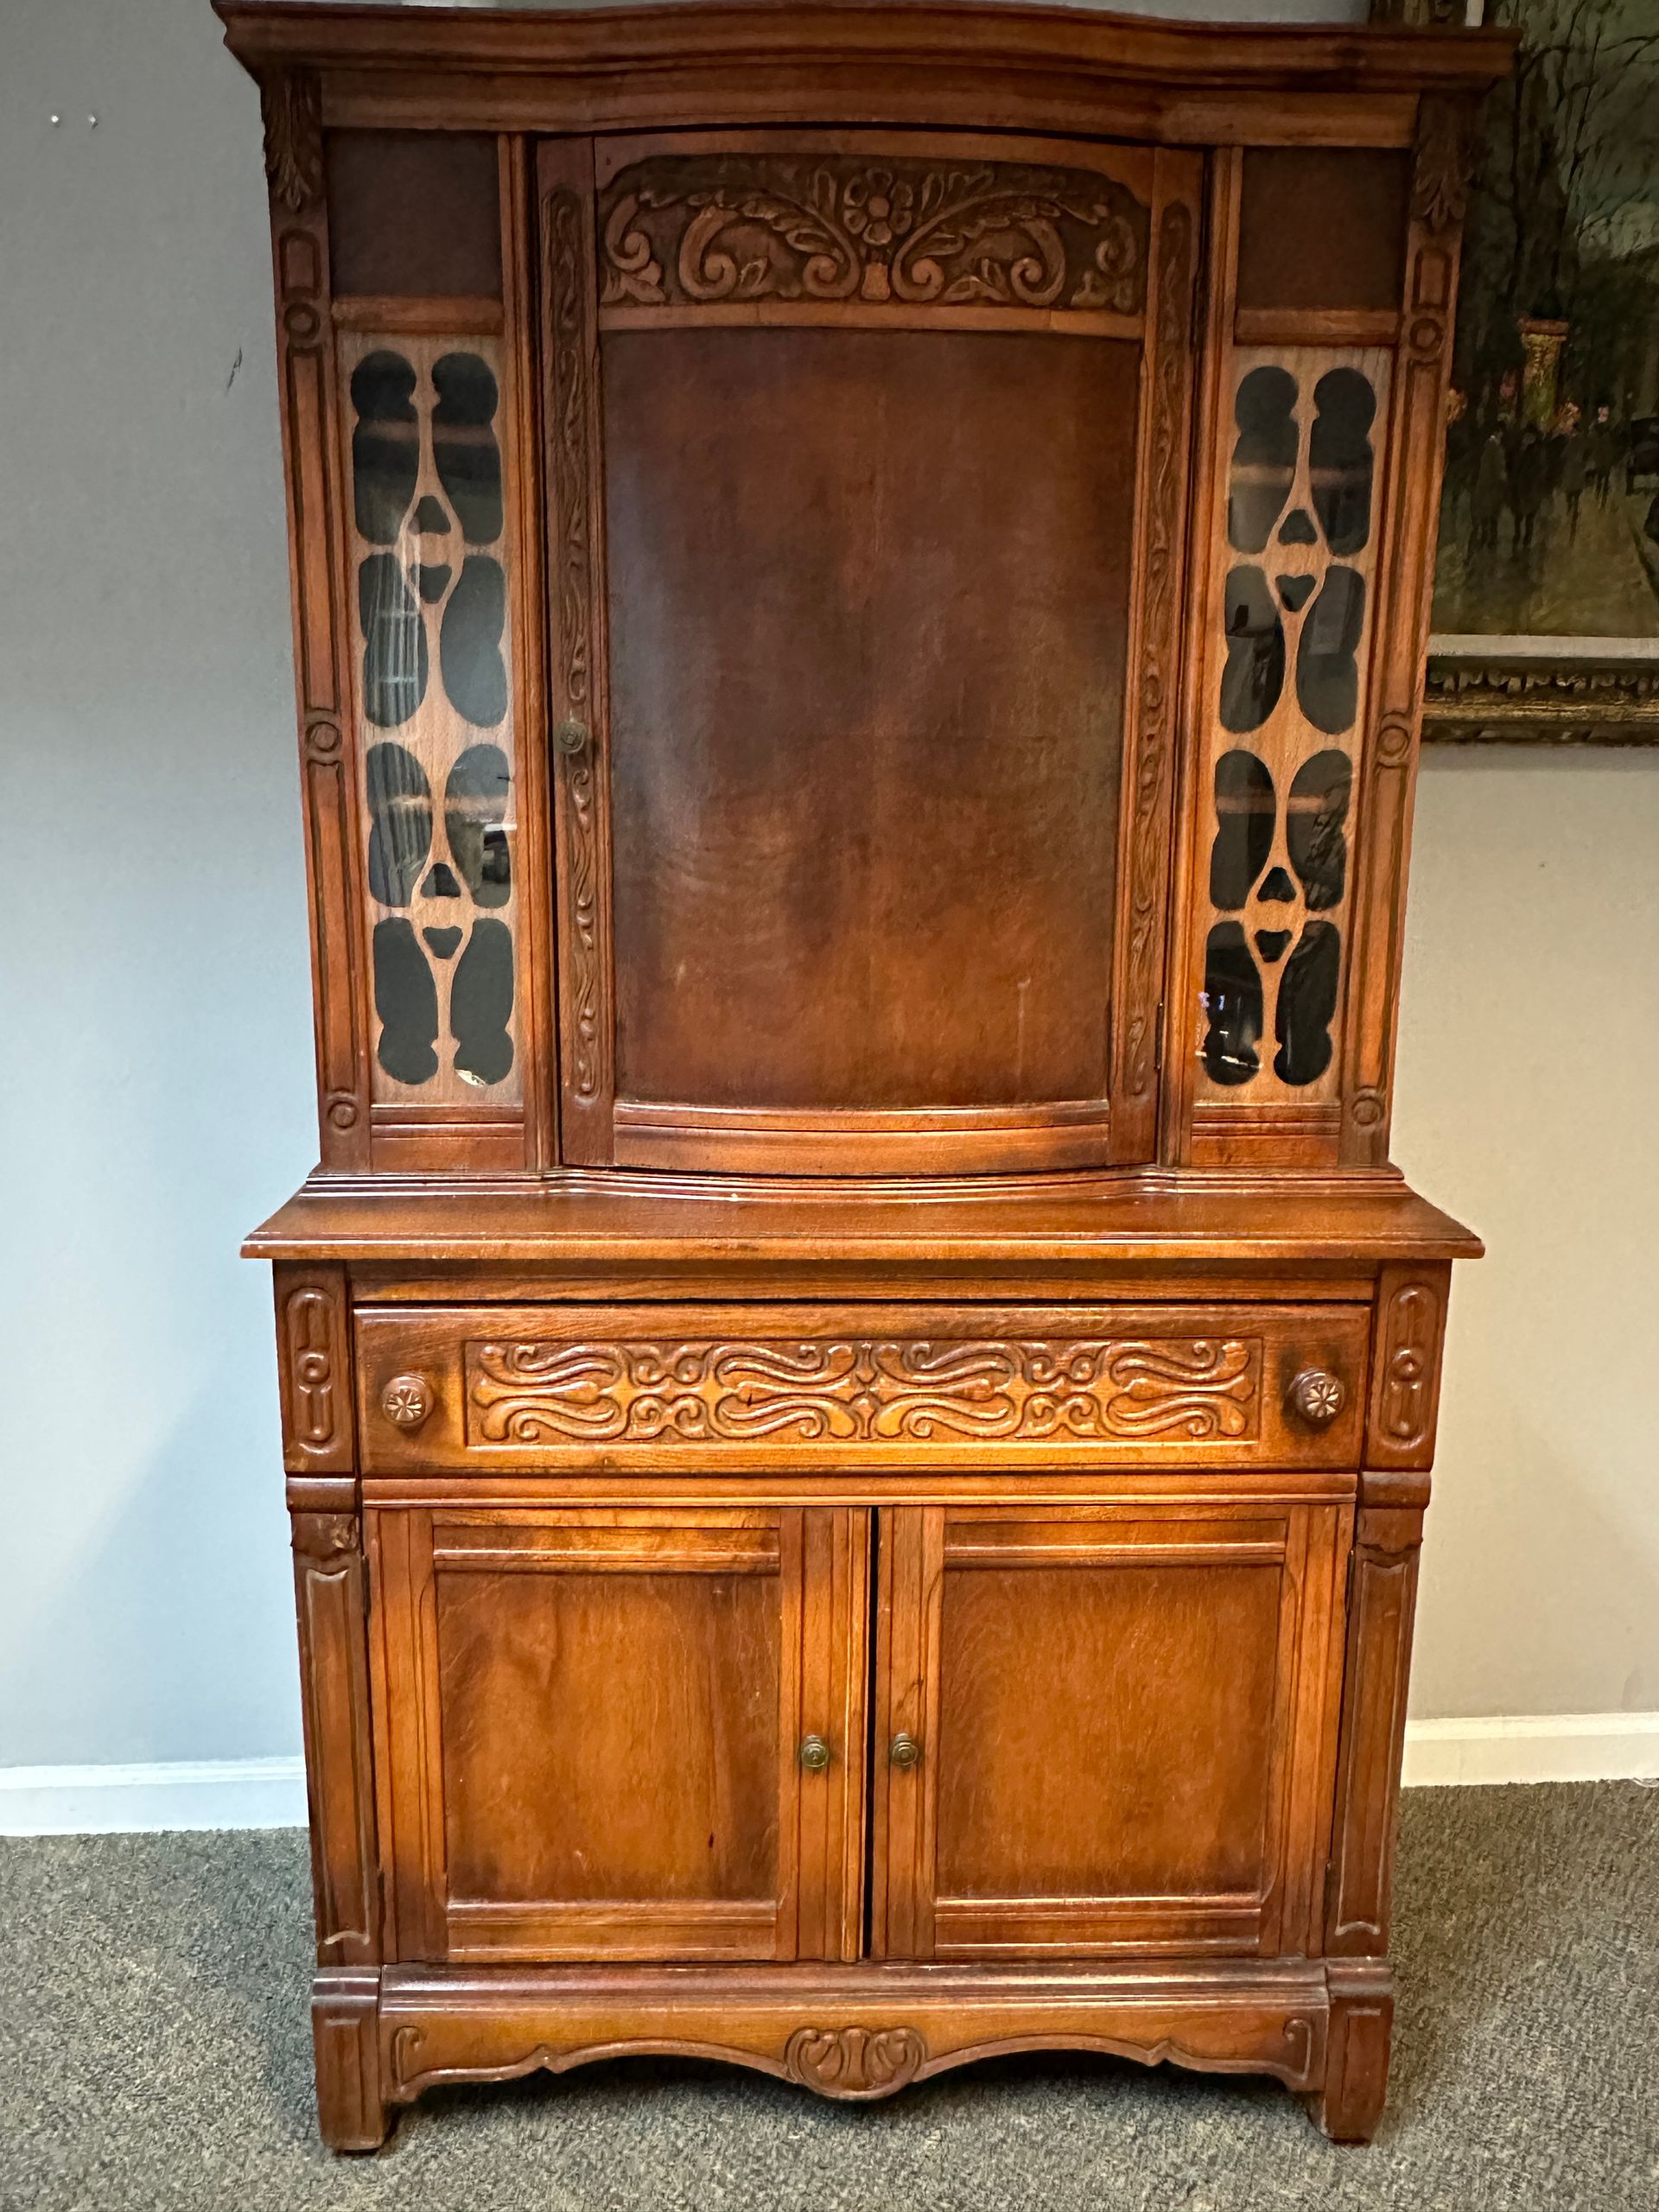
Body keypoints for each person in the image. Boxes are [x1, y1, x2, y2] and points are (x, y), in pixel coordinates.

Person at [1510, 425, 1548, 555]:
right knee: (1518, 514)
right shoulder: (1520, 450)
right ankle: (1517, 535)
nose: (1527, 439)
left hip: (1531, 488)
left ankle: (1527, 538)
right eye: (1526, 436)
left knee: (1530, 515)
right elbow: (1514, 467)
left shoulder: (1538, 453)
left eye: (1530, 437)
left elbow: (1540, 471)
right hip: (1520, 487)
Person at [1470, 426, 1507, 552]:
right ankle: (1491, 538)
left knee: (1484, 512)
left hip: (1483, 485)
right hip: (1492, 487)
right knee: (1493, 513)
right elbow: (1500, 469)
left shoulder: (1484, 448)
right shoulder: (1497, 450)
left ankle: (1484, 536)